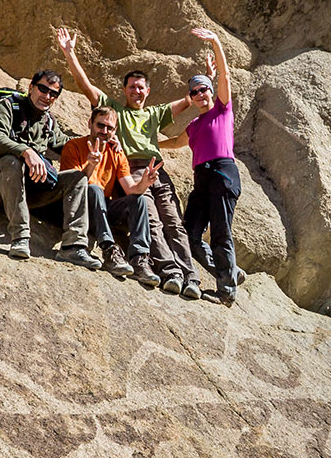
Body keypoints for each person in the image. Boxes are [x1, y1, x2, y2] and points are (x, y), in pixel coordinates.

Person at [54, 27, 202, 299]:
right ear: (123, 90)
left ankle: (190, 277)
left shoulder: (155, 113)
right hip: (131, 169)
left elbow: (188, 101)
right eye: (131, 86)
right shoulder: (114, 112)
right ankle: (170, 271)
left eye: (141, 87)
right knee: (152, 220)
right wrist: (69, 53)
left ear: (148, 91)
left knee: (174, 222)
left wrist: (205, 83)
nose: (136, 90)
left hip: (157, 171)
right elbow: (86, 85)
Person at [0, 69, 98, 266]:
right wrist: (26, 151)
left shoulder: (47, 121)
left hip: (28, 191)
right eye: (43, 89)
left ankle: (73, 246)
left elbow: (66, 145)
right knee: (12, 162)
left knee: (78, 177)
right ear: (31, 87)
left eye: (53, 94)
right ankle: (20, 238)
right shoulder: (8, 107)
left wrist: (100, 141)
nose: (47, 96)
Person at [58, 106, 161, 285]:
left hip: (104, 208)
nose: (104, 131)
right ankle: (109, 249)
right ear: (90, 123)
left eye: (110, 128)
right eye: (100, 125)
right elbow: (74, 186)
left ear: (115, 130)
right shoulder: (73, 146)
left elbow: (130, 189)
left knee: (139, 200)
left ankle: (139, 259)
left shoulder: (116, 152)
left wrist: (145, 182)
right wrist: (90, 164)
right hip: (79, 207)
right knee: (94, 189)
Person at [182, 27, 242, 305]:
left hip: (222, 173)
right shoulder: (194, 125)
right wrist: (149, 140)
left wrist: (216, 42)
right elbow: (173, 141)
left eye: (204, 89)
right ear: (191, 98)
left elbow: (225, 78)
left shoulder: (222, 109)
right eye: (195, 92)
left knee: (220, 232)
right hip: (201, 179)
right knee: (190, 234)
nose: (200, 94)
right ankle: (230, 273)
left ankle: (226, 291)